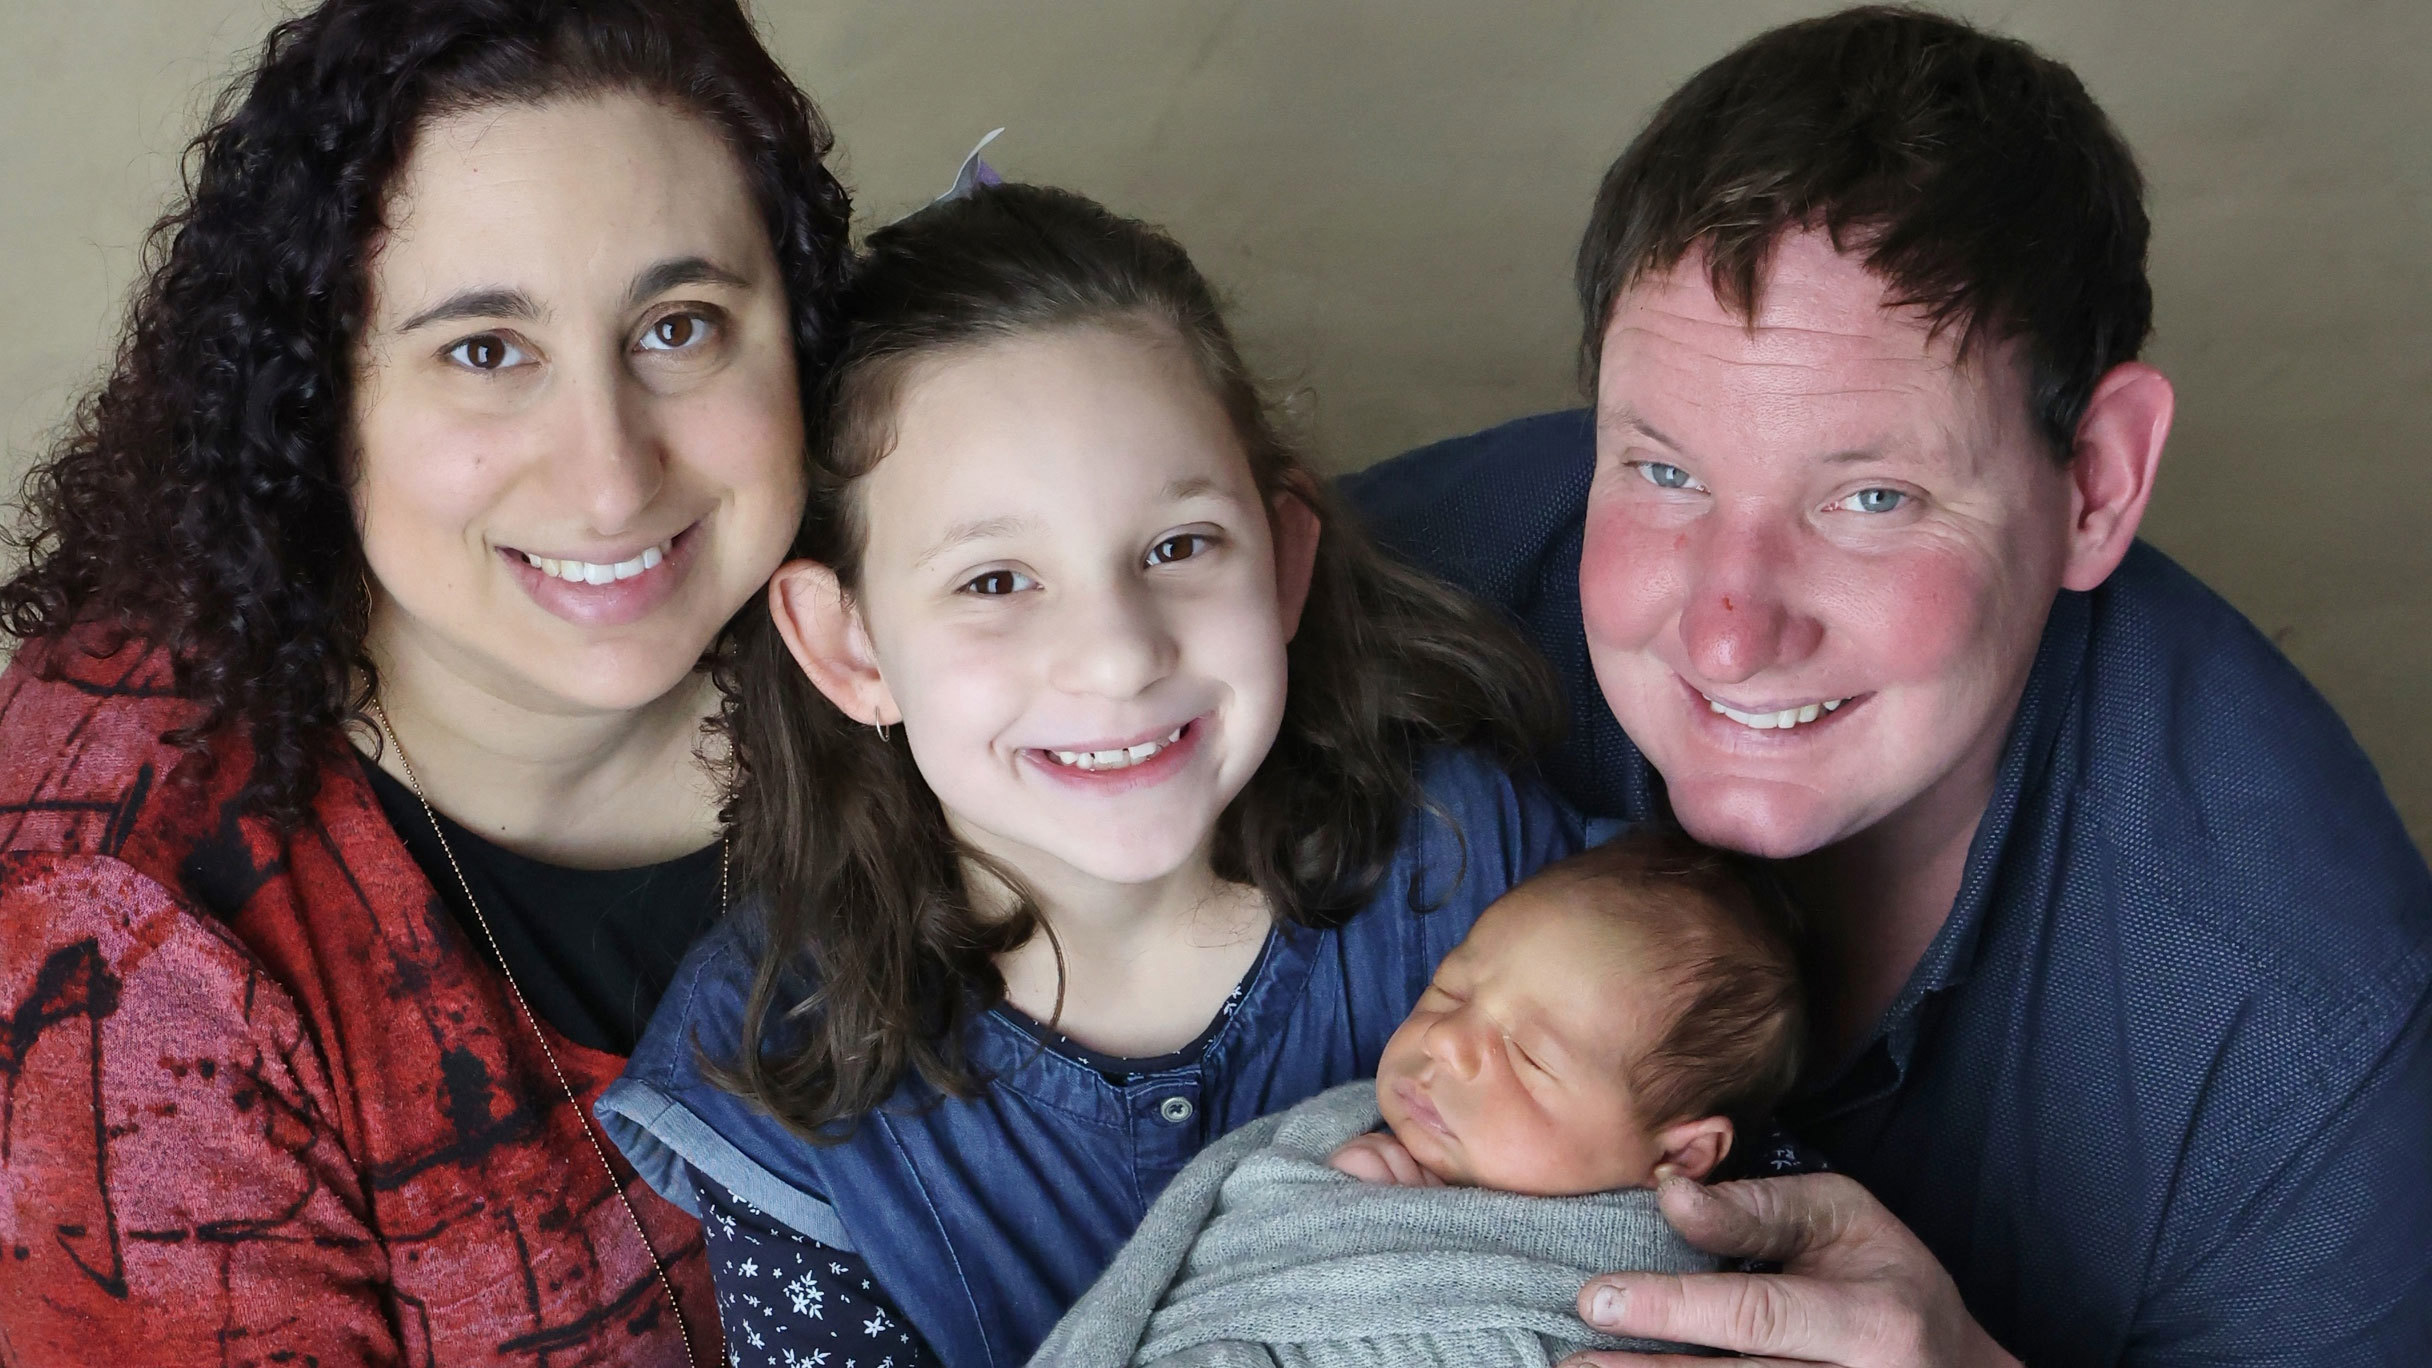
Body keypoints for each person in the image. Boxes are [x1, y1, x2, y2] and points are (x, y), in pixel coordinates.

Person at [1344, 8, 2432, 1365]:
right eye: (1666, 470)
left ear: (2096, 484)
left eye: (1871, 497)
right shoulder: (1386, 609)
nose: (1729, 638)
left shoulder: (2298, 1024)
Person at [596, 182, 1580, 1368]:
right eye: (994, 581)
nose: (1118, 655)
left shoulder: (1467, 861)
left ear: (1282, 563)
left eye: (1178, 546)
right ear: (850, 647)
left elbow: (1705, 1194)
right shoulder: (782, 1054)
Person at [0, 1, 849, 1362]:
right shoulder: (119, 917)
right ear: (316, 399)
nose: (610, 476)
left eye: (679, 326)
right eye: (484, 350)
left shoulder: (949, 644)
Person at [1028, 830, 1805, 1367]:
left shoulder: (1638, 1303)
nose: (1447, 1041)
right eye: (1449, 991)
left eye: (1529, 1056)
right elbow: (1231, 1243)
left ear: (1679, 1154)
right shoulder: (1340, 1127)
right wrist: (1332, 1207)